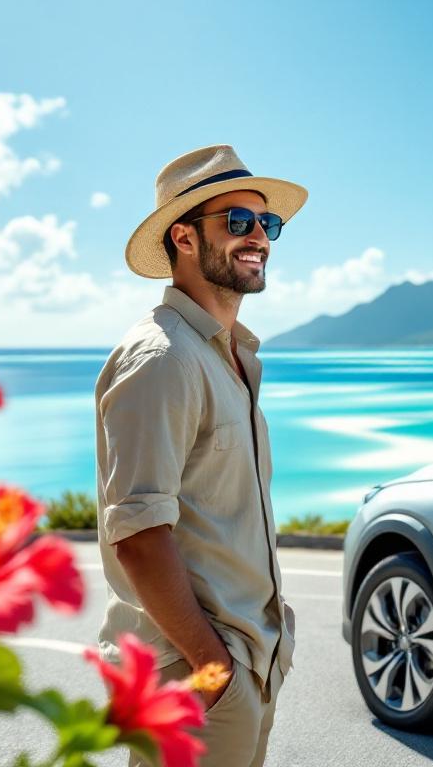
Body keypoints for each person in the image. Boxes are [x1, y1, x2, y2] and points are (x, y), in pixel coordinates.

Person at [93, 144, 306, 766]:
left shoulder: (229, 356)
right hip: (195, 674)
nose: (258, 236)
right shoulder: (163, 358)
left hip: (245, 662)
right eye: (238, 221)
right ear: (183, 238)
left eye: (267, 223)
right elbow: (138, 533)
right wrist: (213, 668)